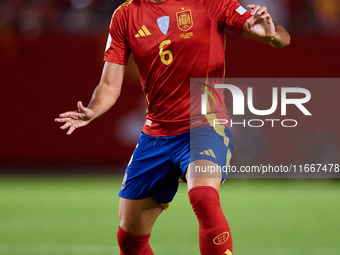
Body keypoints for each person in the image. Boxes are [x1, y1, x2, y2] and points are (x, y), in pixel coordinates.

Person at [55, 0, 290, 254]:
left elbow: (279, 38)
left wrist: (272, 34)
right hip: (156, 134)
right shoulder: (125, 15)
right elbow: (109, 85)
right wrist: (92, 109)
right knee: (130, 238)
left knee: (203, 196)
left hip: (205, 123)